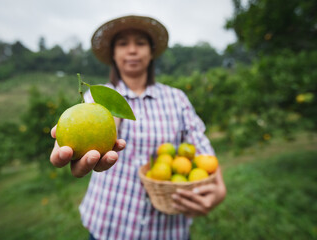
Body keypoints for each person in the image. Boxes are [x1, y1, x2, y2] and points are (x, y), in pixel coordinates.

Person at [50, 15, 226, 240]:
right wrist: (77, 136)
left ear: (151, 52)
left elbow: (201, 147)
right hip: (110, 225)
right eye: (123, 44)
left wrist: (219, 188)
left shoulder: (176, 98)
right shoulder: (97, 97)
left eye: (140, 43)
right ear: (113, 54)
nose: (132, 50)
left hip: (167, 230)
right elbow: (97, 126)